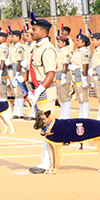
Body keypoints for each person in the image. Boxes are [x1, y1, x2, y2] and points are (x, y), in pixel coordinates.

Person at [28, 17, 60, 174]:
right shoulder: (37, 47)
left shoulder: (47, 49)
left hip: (45, 91)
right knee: (43, 128)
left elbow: (51, 74)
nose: (31, 32)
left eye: (34, 30)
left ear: (43, 31)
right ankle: (46, 161)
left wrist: (39, 90)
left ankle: (46, 163)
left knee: (47, 128)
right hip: (39, 90)